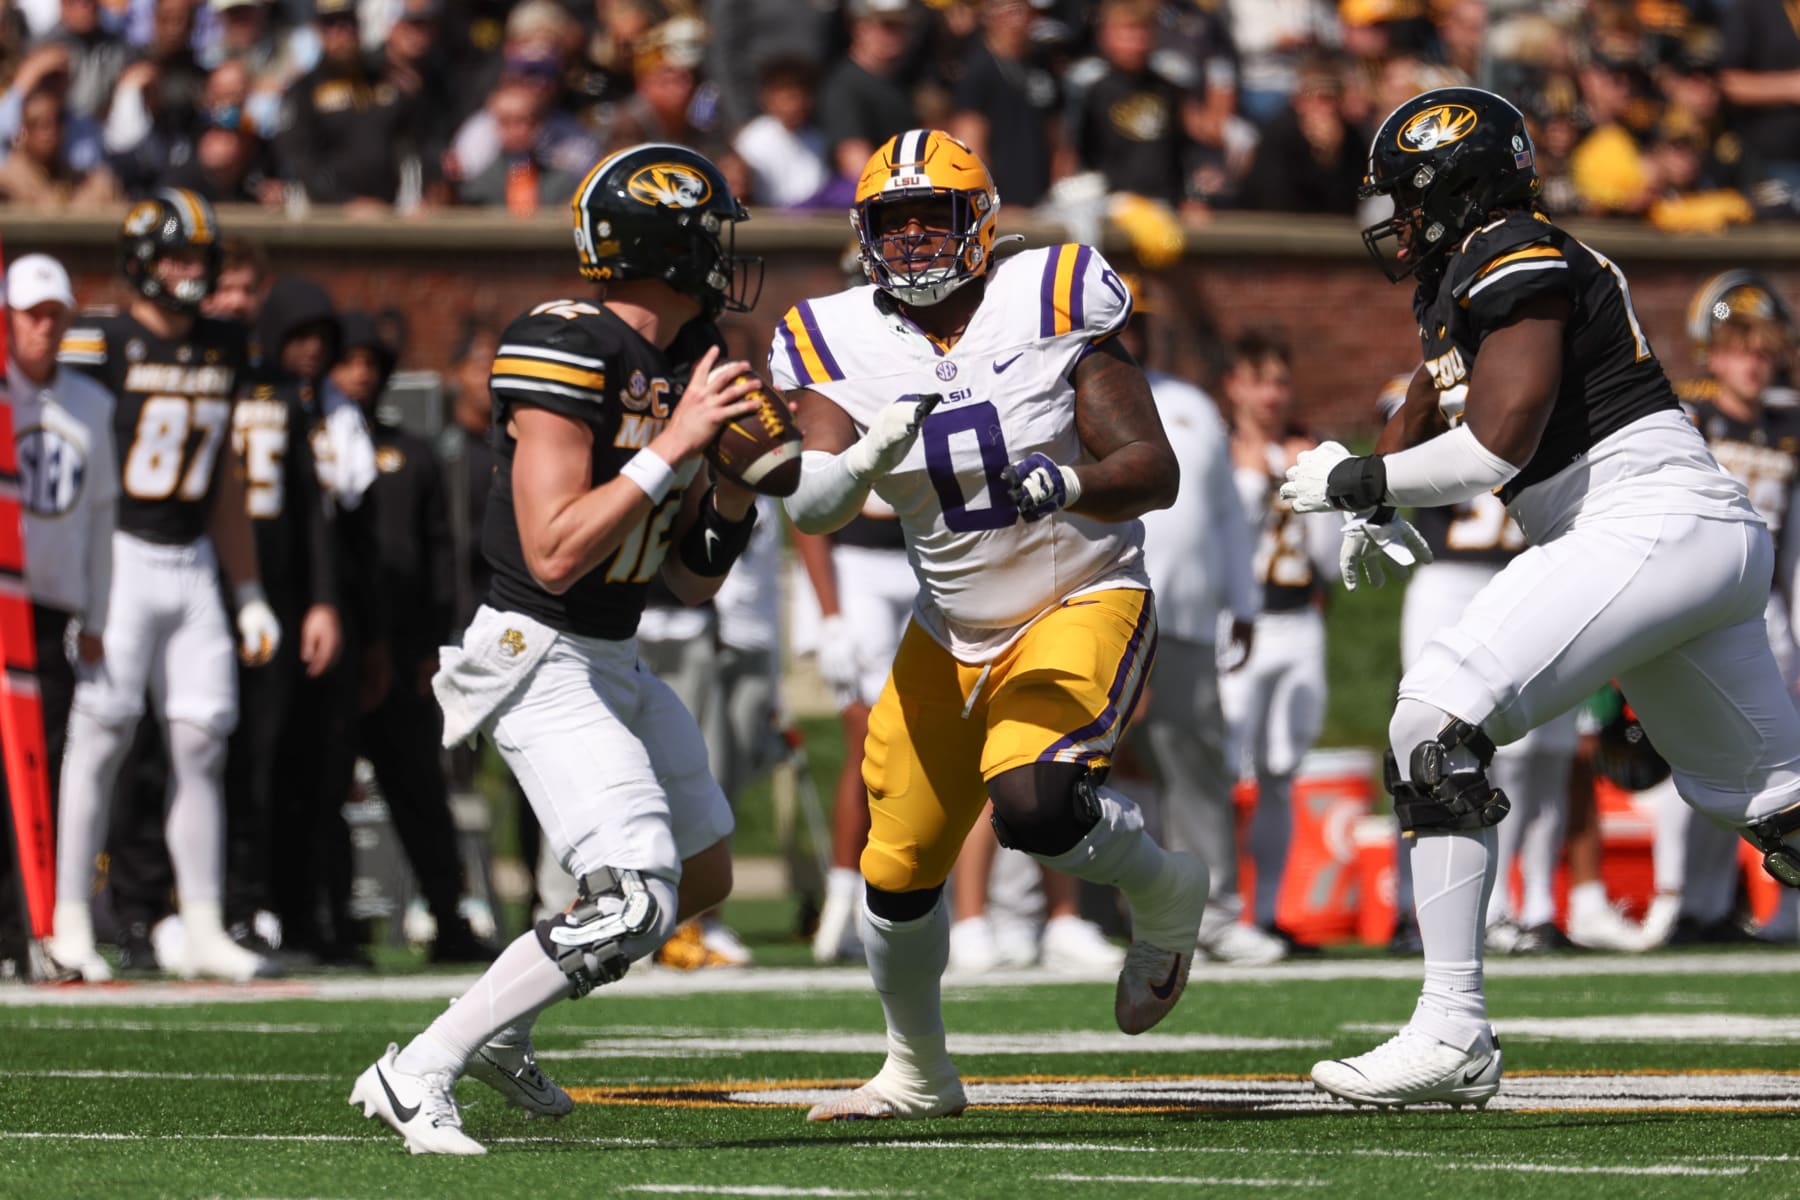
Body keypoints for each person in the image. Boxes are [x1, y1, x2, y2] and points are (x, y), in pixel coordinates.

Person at [1285, 87, 1800, 1111]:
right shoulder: (1467, 277)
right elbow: (1432, 396)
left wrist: (1357, 484)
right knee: (1782, 807)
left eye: (1403, 197)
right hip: (1676, 532)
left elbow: (1498, 440)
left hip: (1641, 518)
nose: (1388, 220)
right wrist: (1381, 491)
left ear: (1456, 190)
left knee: (1434, 718)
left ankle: (1451, 1030)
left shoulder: (1513, 247)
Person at [778, 129, 1208, 1121]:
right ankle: (919, 1070)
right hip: (950, 624)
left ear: (983, 226)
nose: (917, 238)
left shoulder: (1048, 296)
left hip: (1079, 594)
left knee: (1036, 804)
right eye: (897, 220)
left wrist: (1071, 481)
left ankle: (1164, 888)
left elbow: (1155, 468)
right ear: (864, 232)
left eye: (937, 217)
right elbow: (810, 505)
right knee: (895, 870)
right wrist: (852, 463)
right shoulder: (836, 335)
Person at [349, 142, 767, 1155]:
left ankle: (505, 1032)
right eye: (706, 234)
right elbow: (553, 544)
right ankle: (419, 1069)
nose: (720, 255)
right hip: (538, 652)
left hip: (616, 651)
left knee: (700, 879)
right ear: (662, 244)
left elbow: (692, 580)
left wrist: (738, 487)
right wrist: (675, 447)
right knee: (633, 901)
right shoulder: (565, 341)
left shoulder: (687, 355)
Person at [49, 189, 281, 983]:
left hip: (192, 564)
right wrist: (75, 578)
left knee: (201, 743)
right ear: (142, 261)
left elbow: (225, 479)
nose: (191, 272)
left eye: (201, 260)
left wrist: (247, 591)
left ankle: (206, 919)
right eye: (178, 257)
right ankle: (69, 915)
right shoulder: (99, 342)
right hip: (119, 557)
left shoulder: (223, 344)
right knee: (101, 739)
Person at [1375, 374, 1587, 955]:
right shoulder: (1440, 375)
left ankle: (1535, 905)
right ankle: (1427, 908)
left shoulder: (1546, 373)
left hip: (1535, 571)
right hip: (1448, 578)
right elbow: (1399, 418)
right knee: (1430, 740)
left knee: (1544, 750)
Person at [1114, 277, 1268, 965]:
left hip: (1184, 616)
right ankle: (1102, 913)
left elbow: (1226, 514)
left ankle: (1215, 914)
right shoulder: (1061, 402)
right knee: (1100, 767)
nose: (1129, 335)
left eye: (1136, 323)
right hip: (1099, 612)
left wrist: (1243, 600)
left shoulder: (1193, 406)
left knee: (1197, 761)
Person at [334, 312, 492, 962]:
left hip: (403, 648)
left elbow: (440, 556)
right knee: (318, 793)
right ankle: (328, 918)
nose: (362, 373)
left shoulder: (414, 454)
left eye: (373, 362)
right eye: (351, 360)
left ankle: (447, 913)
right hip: (334, 645)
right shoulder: (308, 443)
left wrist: (433, 642)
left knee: (421, 790)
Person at [0, 255, 116, 973]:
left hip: (47, 615)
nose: (44, 328)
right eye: (31, 314)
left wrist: (97, 615)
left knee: (39, 772)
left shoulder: (91, 405)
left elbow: (100, 519)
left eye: (55, 315)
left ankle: (30, 928)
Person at [1221, 327, 1338, 951]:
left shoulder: (1308, 450)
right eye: (1259, 379)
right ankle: (1219, 909)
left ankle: (1265, 913)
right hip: (1240, 623)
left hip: (1299, 618)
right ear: (1233, 386)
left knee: (1280, 771)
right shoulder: (1218, 452)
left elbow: (1327, 557)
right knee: (1223, 767)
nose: (1271, 394)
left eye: (1280, 381)